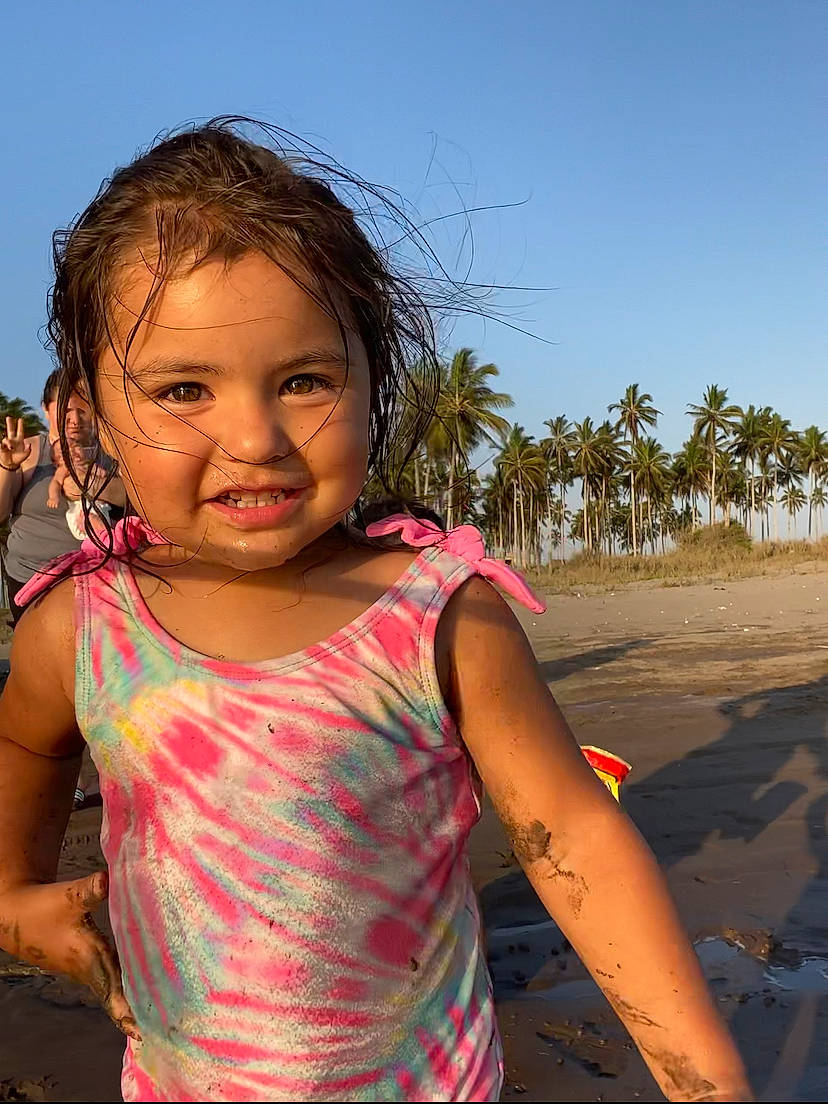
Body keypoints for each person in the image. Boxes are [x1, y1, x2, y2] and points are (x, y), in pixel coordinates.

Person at [0, 121, 752, 1103]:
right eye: (184, 389)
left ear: (372, 378)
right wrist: (14, 897)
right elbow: (30, 749)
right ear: (87, 419)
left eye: (303, 380)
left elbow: (573, 845)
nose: (254, 437)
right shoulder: (86, 627)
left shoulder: (441, 620)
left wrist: (707, 1080)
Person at [0, 373, 125, 624]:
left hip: (103, 580)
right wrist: (8, 467)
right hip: (31, 580)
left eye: (83, 410)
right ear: (46, 409)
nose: (74, 420)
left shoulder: (113, 453)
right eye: (65, 410)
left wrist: (92, 485)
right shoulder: (30, 451)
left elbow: (138, 502)